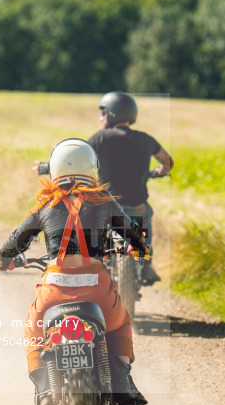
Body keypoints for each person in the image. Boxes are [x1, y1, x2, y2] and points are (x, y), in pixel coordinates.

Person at [0, 139, 149, 405]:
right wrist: (140, 248)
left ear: (55, 170)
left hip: (53, 293)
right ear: (93, 169)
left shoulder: (46, 205)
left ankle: (47, 393)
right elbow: (133, 233)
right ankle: (121, 383)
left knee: (33, 334)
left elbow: (16, 240)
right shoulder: (105, 202)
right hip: (97, 290)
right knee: (120, 323)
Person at [36, 92, 172, 284]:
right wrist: (159, 171)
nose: (101, 118)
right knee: (144, 220)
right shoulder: (146, 139)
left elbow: (75, 157)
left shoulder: (100, 138)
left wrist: (45, 166)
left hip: (107, 205)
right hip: (136, 208)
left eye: (103, 113)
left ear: (112, 114)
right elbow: (168, 162)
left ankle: (88, 262)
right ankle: (147, 264)